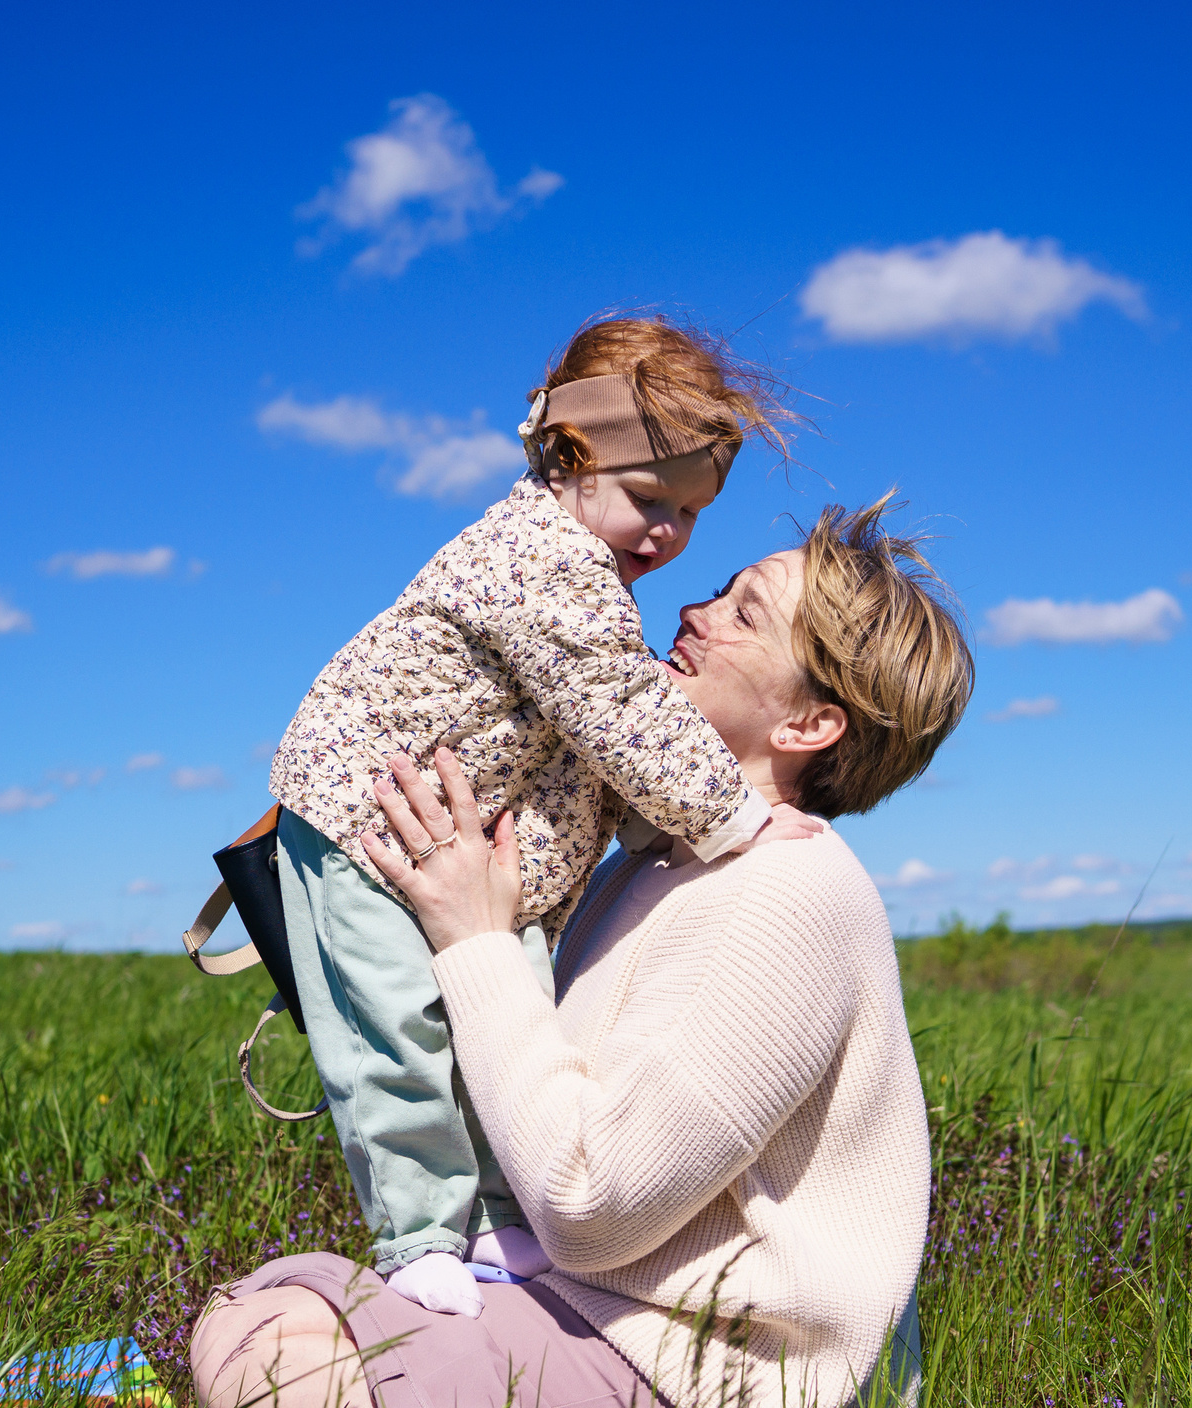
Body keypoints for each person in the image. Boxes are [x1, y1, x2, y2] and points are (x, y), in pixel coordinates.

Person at [192, 498, 975, 1408]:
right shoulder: (651, 865)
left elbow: (591, 1207)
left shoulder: (792, 896)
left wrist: (476, 940)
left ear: (807, 726)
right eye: (718, 589)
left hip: (730, 1402)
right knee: (277, 1316)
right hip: (616, 1331)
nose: (693, 611)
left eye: (743, 613)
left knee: (259, 1353)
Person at [267, 316, 806, 1322]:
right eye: (649, 498)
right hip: (367, 822)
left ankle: (497, 1214)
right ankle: (420, 1231)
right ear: (568, 457)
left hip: (470, 850)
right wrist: (733, 818)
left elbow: (586, 752)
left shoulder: (589, 577)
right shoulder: (543, 559)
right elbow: (615, 707)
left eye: (691, 512)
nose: (669, 534)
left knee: (506, 1023)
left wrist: (657, 825)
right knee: (398, 1031)